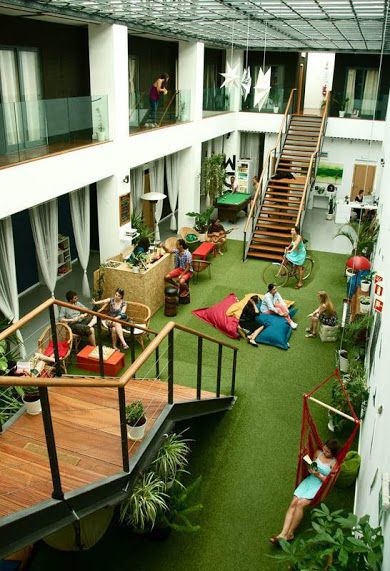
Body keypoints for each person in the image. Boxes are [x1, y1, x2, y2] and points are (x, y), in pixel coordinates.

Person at [270, 439, 340, 544]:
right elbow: (310, 463)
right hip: (309, 481)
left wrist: (319, 475)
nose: (325, 452)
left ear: (333, 453)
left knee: (300, 504)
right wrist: (304, 458)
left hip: (320, 486)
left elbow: (330, 482)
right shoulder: (317, 453)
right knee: (293, 502)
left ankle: (290, 533)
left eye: (328, 452)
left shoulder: (334, 464)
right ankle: (283, 534)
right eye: (325, 449)